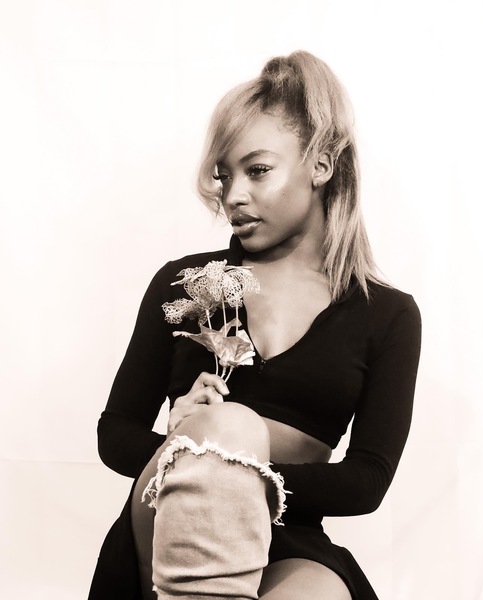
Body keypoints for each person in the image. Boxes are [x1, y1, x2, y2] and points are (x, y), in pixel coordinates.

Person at [89, 50, 421, 600]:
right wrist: (185, 446)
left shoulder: (387, 314)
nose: (233, 195)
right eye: (224, 176)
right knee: (231, 426)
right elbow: (114, 433)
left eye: (257, 170)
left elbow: (366, 481)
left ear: (321, 165)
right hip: (168, 517)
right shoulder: (185, 283)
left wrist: (235, 473)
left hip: (290, 535)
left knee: (322, 593)